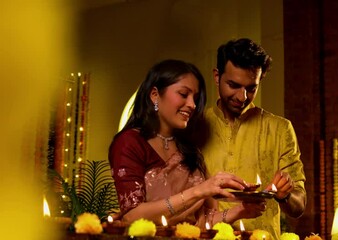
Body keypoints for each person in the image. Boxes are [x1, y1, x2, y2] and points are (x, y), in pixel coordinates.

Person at [109, 59, 265, 228]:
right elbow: (132, 216)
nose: (192, 104)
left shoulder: (189, 149)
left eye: (195, 98)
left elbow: (200, 222)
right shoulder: (130, 143)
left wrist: (241, 211)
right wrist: (198, 191)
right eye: (184, 94)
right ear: (155, 95)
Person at [201, 38, 307, 239]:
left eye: (251, 88)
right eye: (233, 85)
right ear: (216, 76)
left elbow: (299, 206)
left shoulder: (280, 129)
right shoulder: (195, 128)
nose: (242, 97)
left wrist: (285, 196)